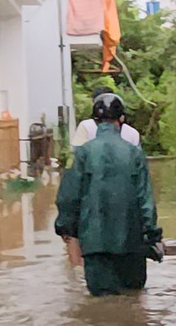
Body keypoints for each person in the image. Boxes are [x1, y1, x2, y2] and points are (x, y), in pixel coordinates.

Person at [55, 91, 162, 296]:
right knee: (133, 301)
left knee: (102, 304)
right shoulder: (134, 153)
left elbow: (69, 196)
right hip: (132, 242)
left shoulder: (83, 153)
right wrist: (152, 233)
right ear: (121, 119)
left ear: (95, 121)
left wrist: (65, 227)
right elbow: (145, 198)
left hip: (95, 245)